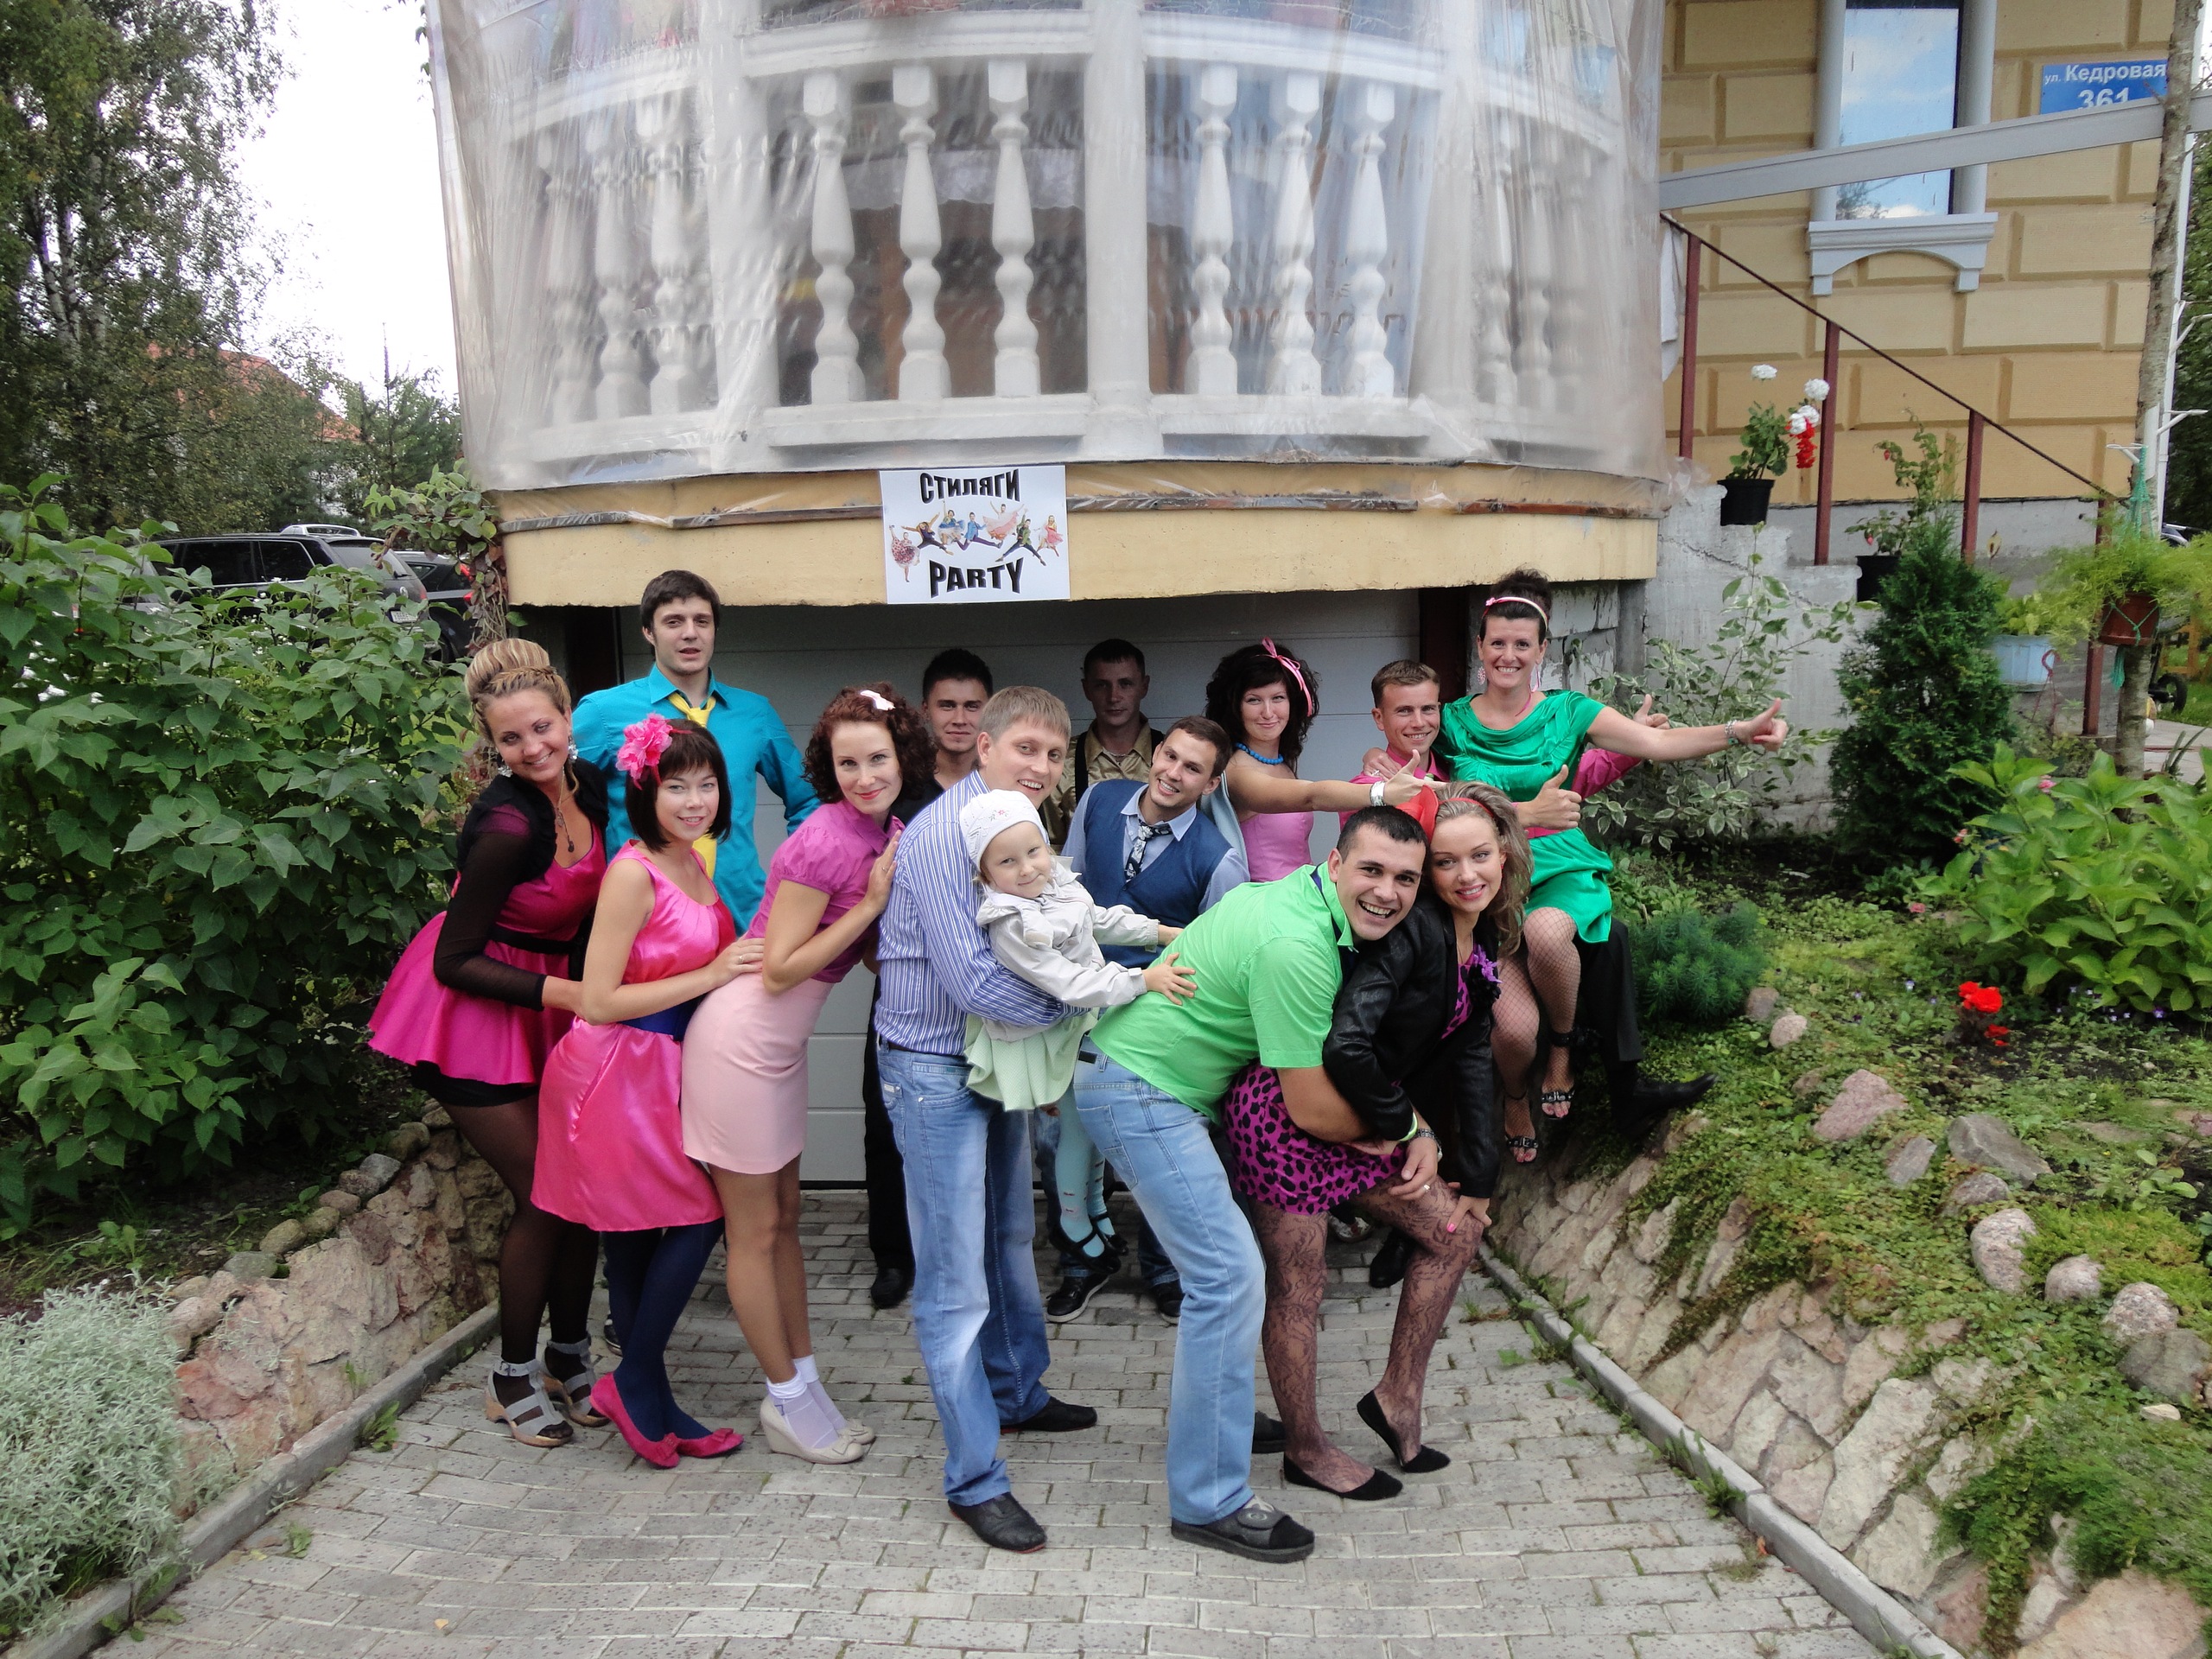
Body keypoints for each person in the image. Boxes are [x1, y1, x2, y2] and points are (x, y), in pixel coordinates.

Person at [1075, 810, 1445, 1562]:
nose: (1387, 892)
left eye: (1405, 879)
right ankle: (1208, 1500)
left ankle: (1223, 1420)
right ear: (1334, 862)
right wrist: (1412, 1129)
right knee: (1228, 1278)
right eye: (1371, 870)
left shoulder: (1293, 896)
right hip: (1142, 1091)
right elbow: (1311, 1110)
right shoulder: (1296, 946)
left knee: (1227, 1278)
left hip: (1147, 1081)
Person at [1222, 795, 1524, 1498]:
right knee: (1300, 1285)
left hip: (1363, 1113)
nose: (1466, 875)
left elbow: (1472, 1054)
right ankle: (1305, 1450)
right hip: (1287, 1112)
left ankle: (1397, 1399)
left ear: (1504, 857)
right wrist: (1408, 1128)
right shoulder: (1412, 931)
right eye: (1445, 863)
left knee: (1455, 1234)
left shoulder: (1481, 939)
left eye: (1479, 857)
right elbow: (1347, 1045)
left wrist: (1478, 1174)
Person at [367, 640, 620, 1448]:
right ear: (493, 745)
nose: (532, 748)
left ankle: (569, 1360)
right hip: (469, 1011)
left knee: (582, 1192)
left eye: (542, 728)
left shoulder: (591, 788)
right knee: (547, 1194)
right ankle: (510, 1378)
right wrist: (572, 995)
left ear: (566, 718)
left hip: (548, 1002)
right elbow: (456, 958)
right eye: (511, 739)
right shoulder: (508, 825)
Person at [1433, 568, 1788, 1141]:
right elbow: (1424, 789)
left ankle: (1564, 1049)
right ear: (1479, 646)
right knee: (1512, 1028)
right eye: (1497, 642)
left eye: (1522, 644)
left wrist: (1739, 731)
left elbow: (1657, 742)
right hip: (1488, 877)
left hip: (1559, 867)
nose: (1508, 655)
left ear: (1541, 650)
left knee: (1551, 934)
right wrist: (1378, 764)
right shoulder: (1450, 722)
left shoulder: (1570, 711)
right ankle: (1516, 1097)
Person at [874, 687, 1099, 1555]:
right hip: (933, 1066)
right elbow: (971, 980)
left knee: (1009, 1233)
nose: (1040, 767)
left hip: (992, 1055)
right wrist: (1084, 1012)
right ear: (985, 745)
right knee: (953, 1279)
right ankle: (974, 1478)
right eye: (1026, 749)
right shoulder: (943, 834)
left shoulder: (1017, 823)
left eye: (1054, 754)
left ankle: (1016, 1393)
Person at [683, 685, 933, 1462]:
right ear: (827, 768)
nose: (864, 776)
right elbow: (783, 968)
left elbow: (870, 952)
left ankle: (805, 1387)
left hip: (778, 1052)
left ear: (904, 757)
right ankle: (786, 1403)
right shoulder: (823, 839)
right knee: (754, 1233)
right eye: (846, 763)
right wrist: (871, 907)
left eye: (877, 759)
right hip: (740, 1044)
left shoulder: (887, 832)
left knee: (786, 1222)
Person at [535, 717, 754, 1468]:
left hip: (664, 1069)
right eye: (677, 787)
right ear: (645, 793)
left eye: (707, 784)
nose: (695, 800)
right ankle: (631, 1384)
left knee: (632, 1246)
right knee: (699, 1218)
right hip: (617, 1070)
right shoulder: (634, 872)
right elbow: (597, 999)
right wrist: (714, 973)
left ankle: (654, 1404)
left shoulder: (691, 860)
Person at [1047, 715, 1245, 1323]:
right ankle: (1083, 1261)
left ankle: (1164, 1269)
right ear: (1157, 752)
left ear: (1211, 784)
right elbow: (1065, 895)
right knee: (1064, 1136)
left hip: (1153, 1018)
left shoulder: (1219, 861)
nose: (1174, 773)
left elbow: (1217, 962)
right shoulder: (1099, 800)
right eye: (1171, 756)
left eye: (1193, 768)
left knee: (1156, 1147)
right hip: (1078, 997)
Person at [861, 647, 995, 1311]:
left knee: (982, 1127)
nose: (960, 717)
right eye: (948, 704)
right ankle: (893, 1256)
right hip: (905, 991)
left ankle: (974, 1255)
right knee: (886, 1125)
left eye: (973, 706)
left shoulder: (1001, 794)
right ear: (925, 711)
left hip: (982, 988)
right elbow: (865, 887)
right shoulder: (900, 793)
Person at [571, 569, 817, 930]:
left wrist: (799, 881)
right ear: (648, 632)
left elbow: (809, 799)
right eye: (673, 621)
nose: (690, 633)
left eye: (702, 621)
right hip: (649, 925)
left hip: (742, 919)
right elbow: (561, 801)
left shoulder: (754, 713)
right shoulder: (602, 713)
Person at [1205, 639, 1431, 881]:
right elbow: (1310, 796)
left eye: (1278, 698)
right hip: (1262, 899)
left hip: (1303, 892)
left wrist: (1372, 753)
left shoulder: (1280, 763)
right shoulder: (1236, 770)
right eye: (1254, 700)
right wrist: (1382, 793)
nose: (1268, 712)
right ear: (1235, 707)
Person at [1039, 638, 1163, 849]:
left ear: (1144, 686)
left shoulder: (1173, 757)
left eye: (1125, 684)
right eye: (1101, 685)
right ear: (1087, 689)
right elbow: (1053, 850)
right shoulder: (1062, 761)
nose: (1114, 697)